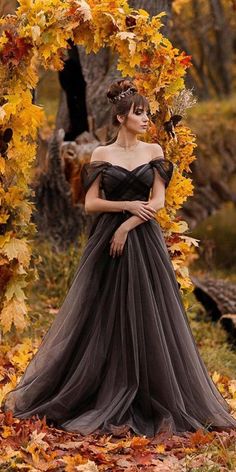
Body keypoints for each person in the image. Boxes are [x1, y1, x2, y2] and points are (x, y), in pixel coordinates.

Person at [2, 79, 236, 438]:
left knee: (147, 315)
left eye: (147, 113)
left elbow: (156, 202)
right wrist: (125, 205)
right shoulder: (101, 155)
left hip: (141, 240)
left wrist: (126, 226)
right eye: (139, 113)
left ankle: (148, 393)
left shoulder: (154, 150)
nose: (146, 119)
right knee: (99, 315)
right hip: (105, 243)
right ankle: (95, 389)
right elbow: (92, 203)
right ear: (120, 116)